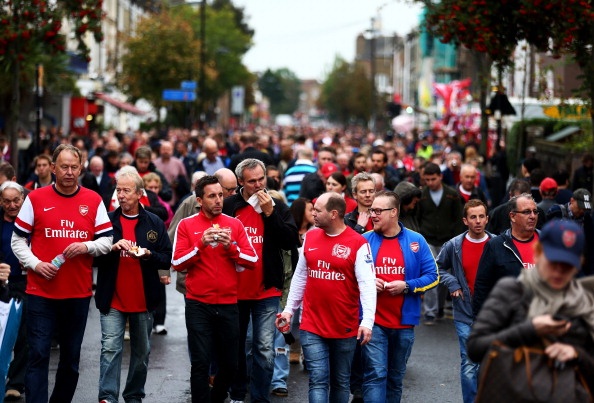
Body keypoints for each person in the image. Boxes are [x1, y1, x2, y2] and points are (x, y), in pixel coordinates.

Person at [11, 144, 113, 403]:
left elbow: (107, 241)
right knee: (38, 354)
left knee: (70, 359)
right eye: (64, 167)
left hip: (77, 293)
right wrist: (36, 264)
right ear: (53, 168)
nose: (69, 172)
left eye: (74, 167)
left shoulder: (93, 200)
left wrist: (86, 246)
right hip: (40, 292)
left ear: (81, 169)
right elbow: (17, 240)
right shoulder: (35, 198)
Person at [467, 219, 594, 396]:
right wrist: (530, 329)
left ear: (580, 262)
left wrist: (576, 354)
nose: (559, 271)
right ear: (538, 252)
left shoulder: (586, 302)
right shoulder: (512, 290)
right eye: (553, 262)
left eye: (567, 265)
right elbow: (475, 347)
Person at [277, 192, 376, 403]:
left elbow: (367, 285)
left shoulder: (358, 243)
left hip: (344, 326)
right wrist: (288, 310)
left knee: (340, 382)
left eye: (317, 210)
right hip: (312, 324)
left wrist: (367, 321)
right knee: (318, 380)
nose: (312, 213)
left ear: (333, 214)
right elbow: (300, 277)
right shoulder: (310, 237)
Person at [171, 175, 258, 403]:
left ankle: (217, 398)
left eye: (220, 195)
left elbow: (252, 259)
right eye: (212, 196)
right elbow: (177, 263)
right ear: (200, 200)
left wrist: (231, 247)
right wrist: (200, 244)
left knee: (230, 364)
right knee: (200, 362)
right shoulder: (187, 224)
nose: (219, 200)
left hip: (229, 303)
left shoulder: (234, 224)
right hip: (198, 303)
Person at [223, 159, 299, 403]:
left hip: (267, 289)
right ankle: (237, 394)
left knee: (264, 348)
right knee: (237, 345)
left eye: (261, 179)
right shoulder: (229, 206)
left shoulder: (277, 206)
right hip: (234, 289)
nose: (258, 185)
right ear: (240, 182)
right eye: (252, 181)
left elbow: (290, 241)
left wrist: (270, 213)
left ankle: (259, 398)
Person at [94, 168, 172, 403]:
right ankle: (107, 396)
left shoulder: (154, 222)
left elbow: (166, 257)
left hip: (143, 299)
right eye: (118, 190)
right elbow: (92, 257)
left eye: (126, 191)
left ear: (139, 194)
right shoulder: (107, 221)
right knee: (110, 348)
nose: (121, 195)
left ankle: (134, 395)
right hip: (112, 298)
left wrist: (148, 254)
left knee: (141, 353)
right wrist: (111, 248)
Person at [361, 191, 438, 402]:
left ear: (394, 212)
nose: (373, 215)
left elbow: (433, 276)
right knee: (376, 375)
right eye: (372, 210)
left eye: (378, 211)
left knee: (395, 379)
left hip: (404, 324)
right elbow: (349, 277)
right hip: (373, 323)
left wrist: (407, 286)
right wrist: (368, 283)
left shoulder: (416, 240)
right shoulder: (364, 241)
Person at [436, 199, 493, 403]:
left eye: (481, 216)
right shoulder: (454, 245)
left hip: (491, 314)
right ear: (465, 221)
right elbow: (437, 268)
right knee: (469, 363)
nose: (478, 221)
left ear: (487, 219)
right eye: (473, 217)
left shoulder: (497, 244)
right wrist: (453, 283)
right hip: (464, 312)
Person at [271, 197, 315, 396]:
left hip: (300, 295)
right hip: (281, 294)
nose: (313, 213)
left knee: (294, 333)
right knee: (276, 338)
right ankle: (276, 379)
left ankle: (282, 376)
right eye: (310, 209)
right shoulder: (281, 237)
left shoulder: (313, 234)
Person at [473, 193, 540, 317]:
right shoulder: (495, 246)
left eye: (535, 212)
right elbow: (482, 286)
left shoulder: (547, 242)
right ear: (512, 216)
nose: (532, 216)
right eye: (526, 212)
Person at [416, 162, 464, 325]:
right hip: (428, 239)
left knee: (444, 276)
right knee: (431, 273)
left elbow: (458, 218)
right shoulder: (422, 195)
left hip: (447, 240)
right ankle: (430, 311)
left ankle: (440, 306)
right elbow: (418, 217)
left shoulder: (452, 194)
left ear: (440, 177)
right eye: (427, 180)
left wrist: (456, 240)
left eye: (433, 179)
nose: (430, 183)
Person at [0, 182, 27, 401]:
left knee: (24, 334)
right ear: (1, 202)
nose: (12, 205)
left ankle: (16, 382)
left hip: (26, 283)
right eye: (7, 201)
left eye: (16, 200)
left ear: (23, 199)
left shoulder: (31, 221)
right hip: (2, 283)